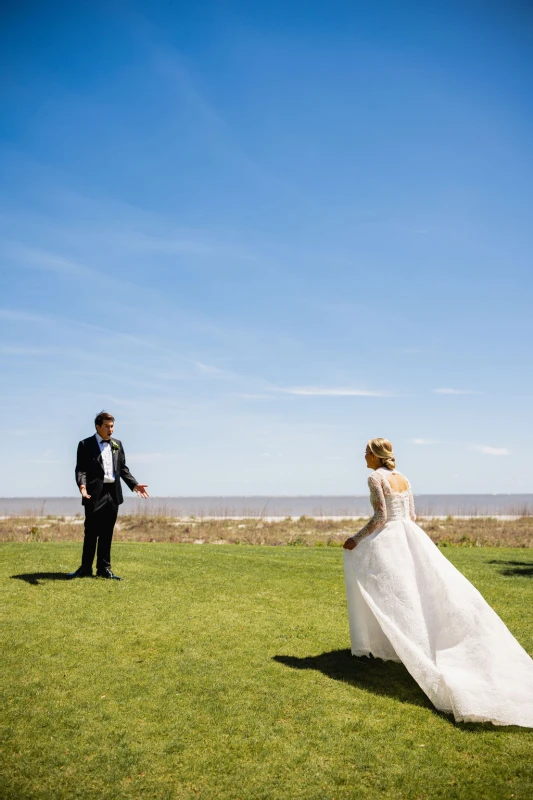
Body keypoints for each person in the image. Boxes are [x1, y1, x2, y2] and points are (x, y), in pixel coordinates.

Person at [343, 437, 533, 727]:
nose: (363, 456)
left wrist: (355, 539)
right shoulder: (403, 478)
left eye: (366, 452)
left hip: (392, 538)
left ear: (376, 455)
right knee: (419, 593)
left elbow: (381, 517)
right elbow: (413, 515)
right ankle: (405, 643)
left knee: (391, 592)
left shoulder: (374, 478)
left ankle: (401, 644)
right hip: (413, 536)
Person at [68, 411, 149, 580]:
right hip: (93, 493)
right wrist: (82, 486)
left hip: (113, 493)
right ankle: (85, 568)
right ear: (98, 426)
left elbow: (123, 468)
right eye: (106, 426)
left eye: (112, 426)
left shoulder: (117, 444)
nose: (110, 430)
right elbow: (81, 469)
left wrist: (134, 485)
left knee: (107, 532)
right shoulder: (85, 444)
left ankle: (104, 569)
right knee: (91, 532)